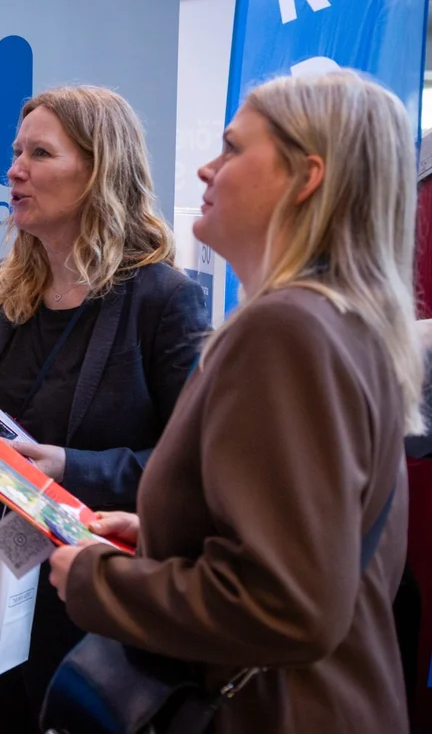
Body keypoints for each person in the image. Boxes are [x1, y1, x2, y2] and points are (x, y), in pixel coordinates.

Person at [48, 71, 418, 733]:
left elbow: (284, 604)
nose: (206, 168)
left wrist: (97, 580)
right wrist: (164, 536)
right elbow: (316, 547)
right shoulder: (343, 323)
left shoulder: (286, 330)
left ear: (305, 178)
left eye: (233, 148)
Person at [0, 85, 209, 729]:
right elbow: (18, 431)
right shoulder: (7, 289)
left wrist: (71, 466)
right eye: (16, 152)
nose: (14, 170)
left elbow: (193, 469)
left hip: (90, 599)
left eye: (40, 154)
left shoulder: (163, 299)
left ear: (100, 170)